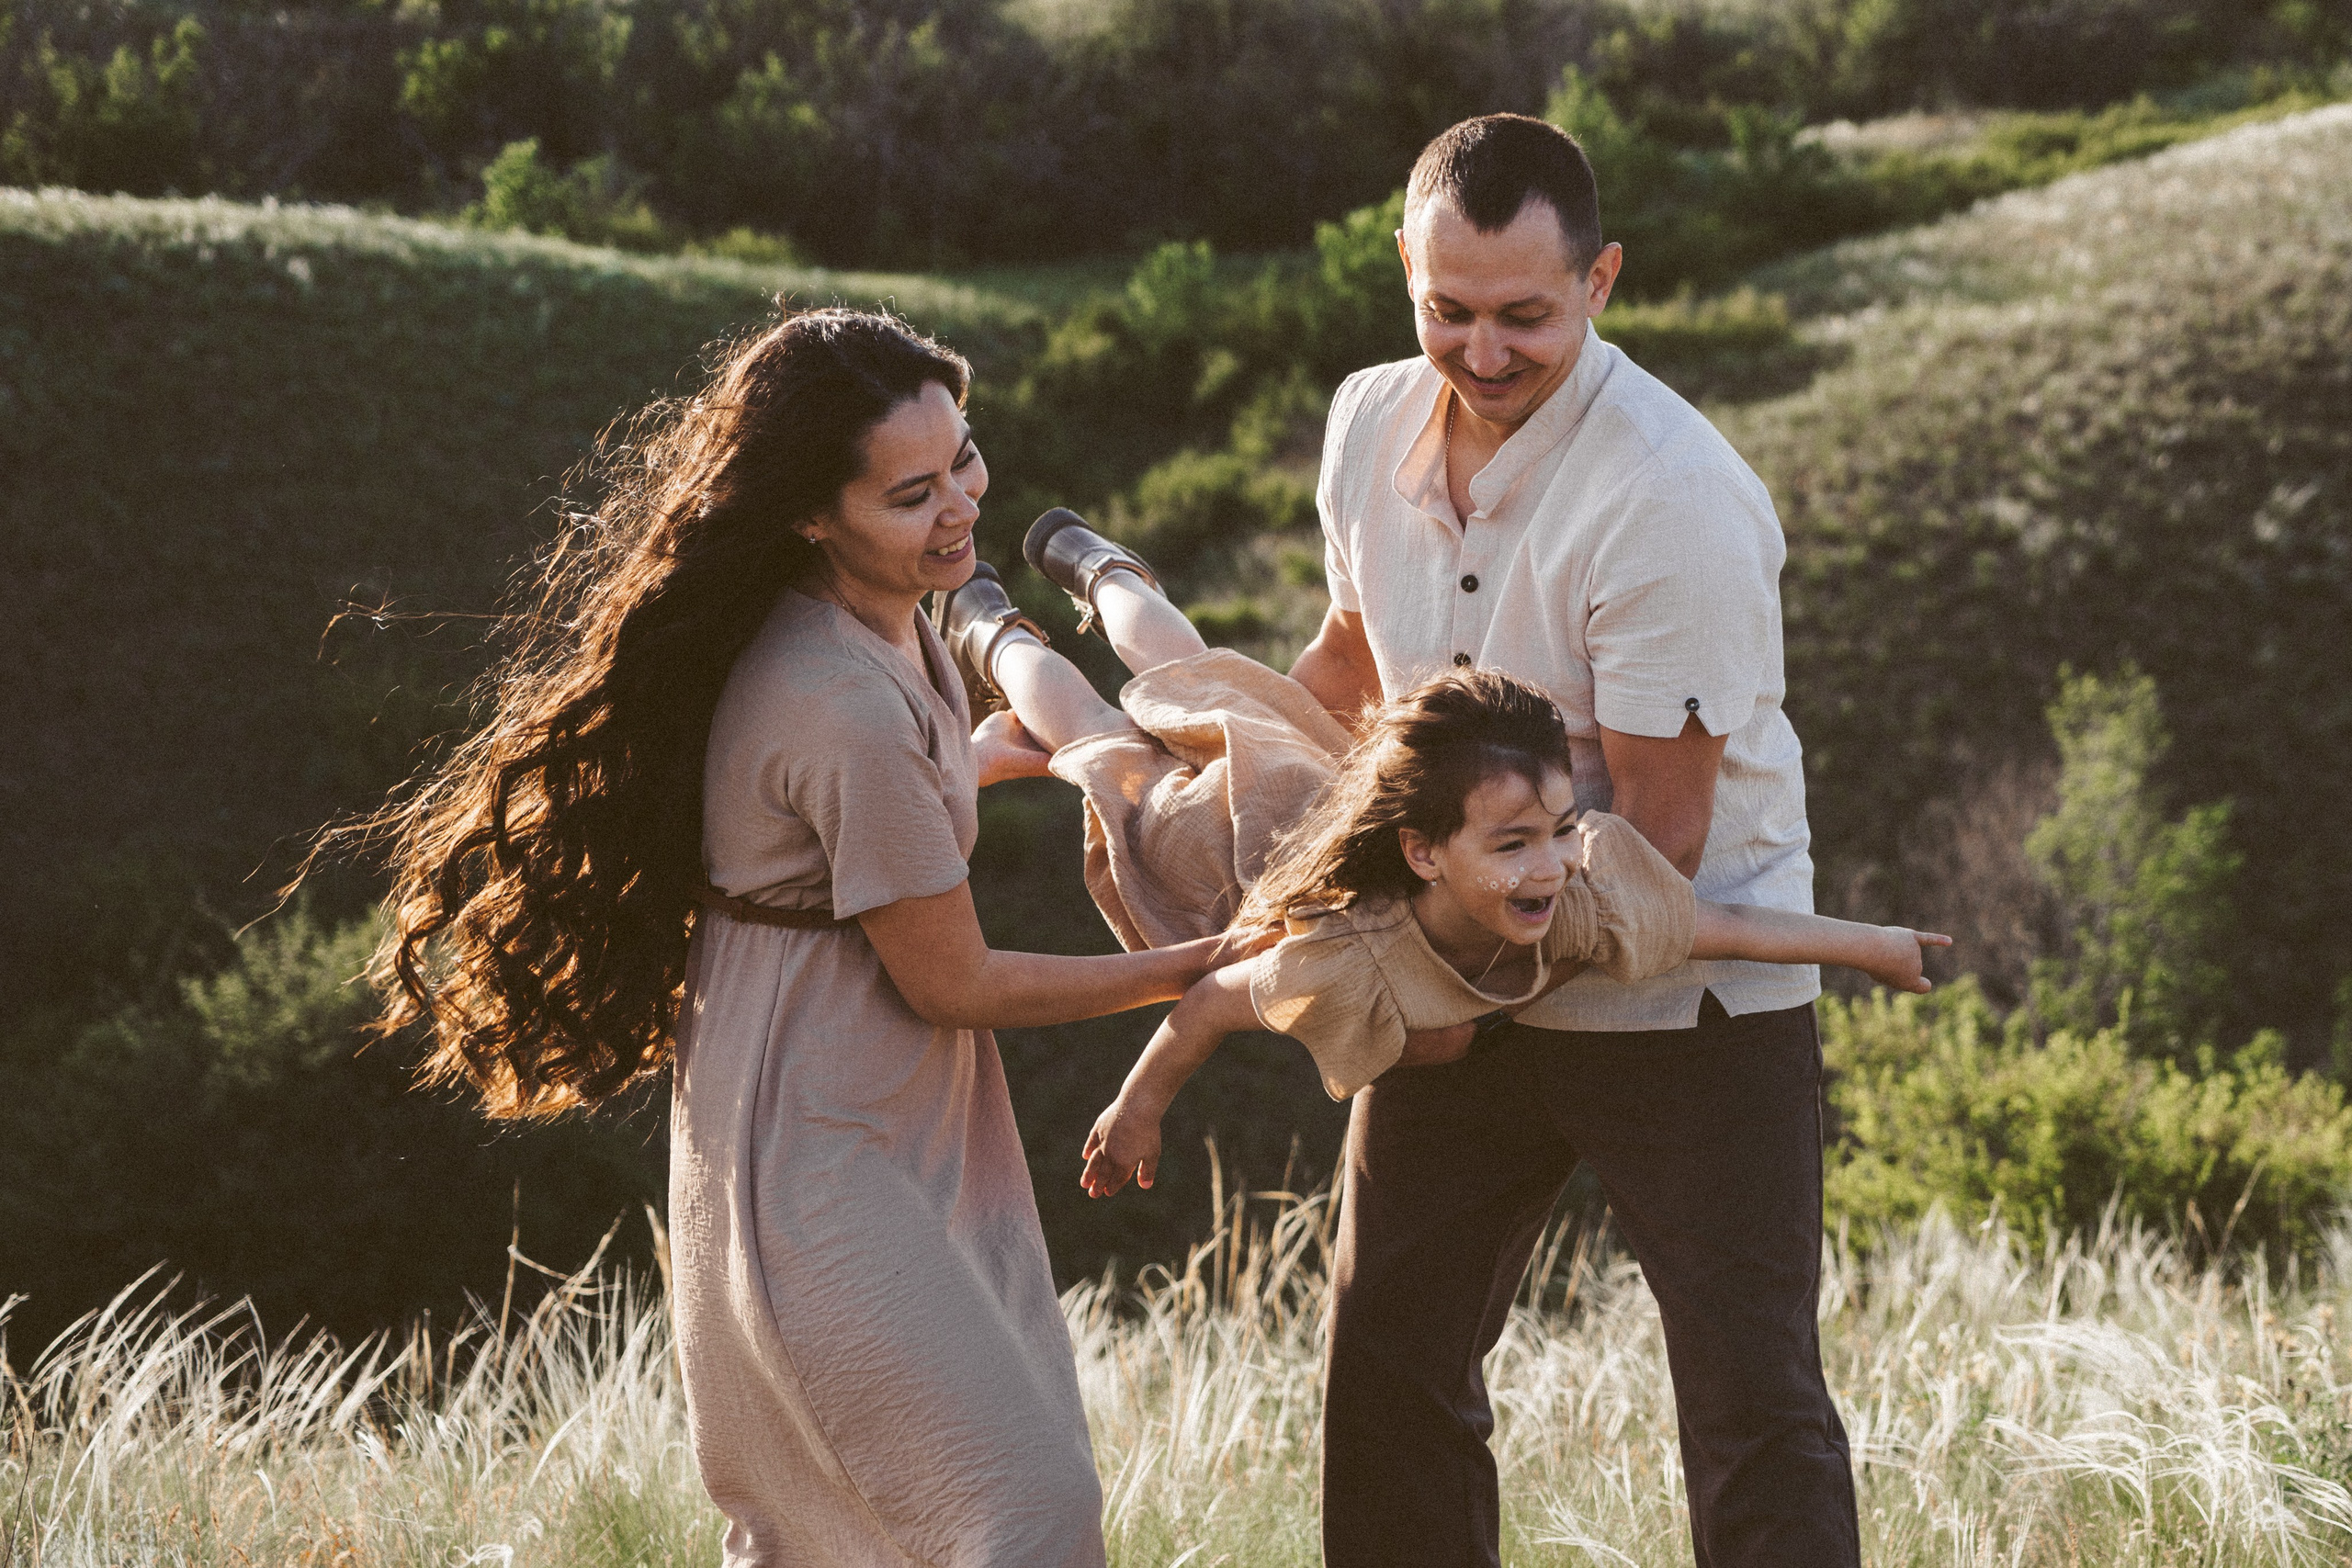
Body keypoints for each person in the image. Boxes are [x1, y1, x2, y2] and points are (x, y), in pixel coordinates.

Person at [351, 309, 1237, 1568]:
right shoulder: (838, 698)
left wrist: (977, 760)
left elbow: (844, 811)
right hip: (820, 1139)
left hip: (866, 1106)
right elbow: (955, 978)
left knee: (854, 1534)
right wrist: (1191, 967)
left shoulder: (883, 616)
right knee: (1022, 1515)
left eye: (964, 461)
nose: (959, 508)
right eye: (911, 494)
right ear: (813, 513)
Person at [1277, 114, 1864, 1566]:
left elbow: (1650, 842)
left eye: (1525, 316)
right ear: (1402, 265)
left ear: (1599, 280)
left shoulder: (1672, 494)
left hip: (1684, 990)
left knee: (1748, 1396)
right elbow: (1353, 660)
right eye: (1449, 309)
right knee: (1388, 1353)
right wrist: (1217, 783)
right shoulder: (1364, 420)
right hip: (1454, 954)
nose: (1481, 350)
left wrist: (1427, 970)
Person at [928, 518, 1944, 1200]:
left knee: (1210, 682)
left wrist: (1877, 945)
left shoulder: (1574, 896)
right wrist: (1136, 1109)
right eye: (1513, 844)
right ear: (1423, 851)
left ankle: (1102, 573)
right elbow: (1206, 1007)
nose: (1549, 866)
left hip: (1311, 793)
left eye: (1560, 829)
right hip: (1215, 847)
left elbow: (1724, 926)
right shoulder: (1341, 956)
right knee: (1106, 736)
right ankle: (1000, 630)